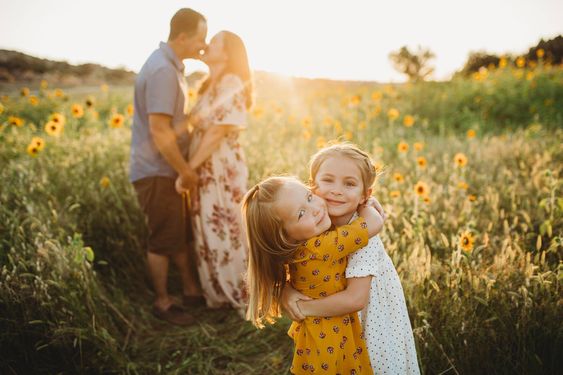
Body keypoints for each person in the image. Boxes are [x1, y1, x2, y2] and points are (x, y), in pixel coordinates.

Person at [282, 144, 421, 374]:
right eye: (328, 180)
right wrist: (284, 291)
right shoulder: (310, 221)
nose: (337, 190)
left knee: (377, 364)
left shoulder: (364, 236)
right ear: (312, 185)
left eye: (349, 184)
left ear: (365, 195)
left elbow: (356, 299)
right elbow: (284, 263)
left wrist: (302, 308)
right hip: (333, 324)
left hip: (372, 321)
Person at [242, 176, 384, 374]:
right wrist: (364, 204)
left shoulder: (295, 249)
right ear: (284, 237)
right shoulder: (321, 246)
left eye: (309, 197)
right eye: (301, 213)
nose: (316, 209)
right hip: (332, 332)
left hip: (316, 331)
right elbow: (374, 223)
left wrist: (285, 291)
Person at [129, 8, 207, 325]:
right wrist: (186, 171)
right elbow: (160, 130)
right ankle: (162, 303)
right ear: (183, 36)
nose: (203, 46)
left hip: (165, 170)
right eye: (200, 39)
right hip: (158, 171)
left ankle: (190, 290)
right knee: (162, 239)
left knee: (177, 234)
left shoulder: (171, 66)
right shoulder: (162, 70)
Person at [177, 31, 252, 314]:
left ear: (229, 52)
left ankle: (241, 294)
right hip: (205, 166)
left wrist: (188, 170)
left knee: (228, 228)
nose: (208, 44)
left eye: (216, 41)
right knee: (208, 227)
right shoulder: (209, 84)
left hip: (221, 168)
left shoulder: (232, 82)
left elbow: (217, 132)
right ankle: (218, 296)